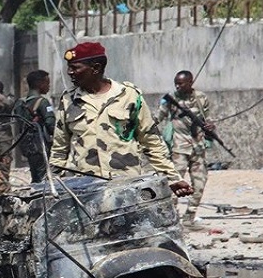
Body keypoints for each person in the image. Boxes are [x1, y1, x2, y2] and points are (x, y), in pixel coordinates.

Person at [49, 42, 193, 198]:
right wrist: (50, 185)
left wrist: (172, 178)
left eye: (75, 68)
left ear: (96, 68)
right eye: (69, 68)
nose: (70, 72)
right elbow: (59, 149)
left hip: (125, 187)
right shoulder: (68, 100)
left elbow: (151, 141)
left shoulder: (128, 96)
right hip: (83, 189)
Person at [156, 70, 215, 226]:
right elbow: (157, 118)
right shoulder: (170, 99)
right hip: (179, 148)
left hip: (198, 148)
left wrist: (210, 125)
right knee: (174, 184)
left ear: (190, 82)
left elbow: (207, 117)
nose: (177, 86)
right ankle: (172, 219)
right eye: (176, 83)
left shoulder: (201, 97)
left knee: (200, 184)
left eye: (181, 83)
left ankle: (189, 217)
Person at [17, 70, 56, 183]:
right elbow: (51, 125)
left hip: (27, 146)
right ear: (40, 84)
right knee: (44, 178)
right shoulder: (42, 102)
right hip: (41, 146)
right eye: (47, 83)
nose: (49, 86)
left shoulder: (20, 102)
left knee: (35, 175)